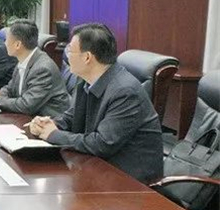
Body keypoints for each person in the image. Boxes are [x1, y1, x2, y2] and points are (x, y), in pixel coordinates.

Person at [29, 23, 163, 183]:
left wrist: (53, 135)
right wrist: (47, 124)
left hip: (130, 182)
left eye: (70, 50)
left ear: (87, 57)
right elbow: (71, 118)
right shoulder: (85, 80)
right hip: (98, 169)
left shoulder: (125, 92)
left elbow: (102, 143)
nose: (66, 55)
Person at [0, 19, 70, 117]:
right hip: (29, 117)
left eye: (6, 40)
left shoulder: (42, 69)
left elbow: (27, 105)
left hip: (49, 120)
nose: (4, 44)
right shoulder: (23, 60)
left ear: (18, 45)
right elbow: (10, 88)